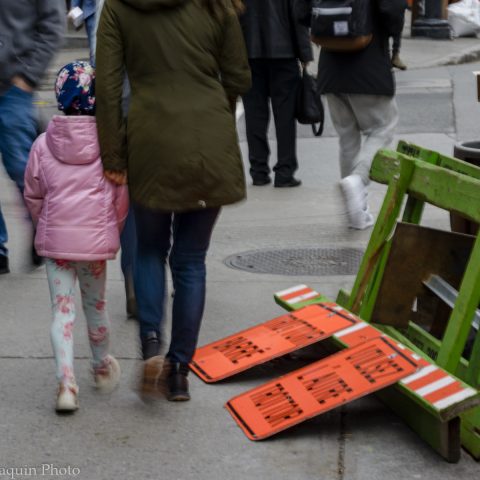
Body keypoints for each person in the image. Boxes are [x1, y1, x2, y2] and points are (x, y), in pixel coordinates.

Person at [95, 0, 251, 401]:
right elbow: (237, 74)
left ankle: (151, 344)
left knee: (149, 250)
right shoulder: (217, 4)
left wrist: (113, 155)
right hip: (208, 139)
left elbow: (109, 87)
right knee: (190, 260)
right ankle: (180, 370)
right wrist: (217, 110)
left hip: (151, 139)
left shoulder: (118, 7)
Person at [23, 62, 129, 413]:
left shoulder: (42, 145)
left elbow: (33, 194)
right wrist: (110, 231)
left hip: (57, 247)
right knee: (95, 307)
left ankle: (66, 386)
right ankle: (100, 367)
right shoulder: (107, 144)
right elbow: (119, 196)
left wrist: (45, 225)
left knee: (62, 313)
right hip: (93, 246)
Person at [297, 0, 405, 230]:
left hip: (331, 67)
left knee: (347, 138)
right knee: (382, 128)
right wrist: (391, 31)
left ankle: (355, 212)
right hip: (369, 62)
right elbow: (391, 9)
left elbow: (301, 10)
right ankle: (358, 181)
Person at [0, 1, 65, 275]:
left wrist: (27, 76)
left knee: (21, 168)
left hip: (14, 88)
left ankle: (41, 226)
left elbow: (53, 26)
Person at [239, 0, 313, 188]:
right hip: (284, 52)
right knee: (285, 115)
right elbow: (298, 16)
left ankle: (258, 171)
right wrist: (304, 54)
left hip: (248, 53)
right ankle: (285, 172)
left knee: (254, 114)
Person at [69, 0, 98, 65]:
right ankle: (95, 72)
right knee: (94, 49)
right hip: (92, 13)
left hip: (114, 10)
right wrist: (74, 8)